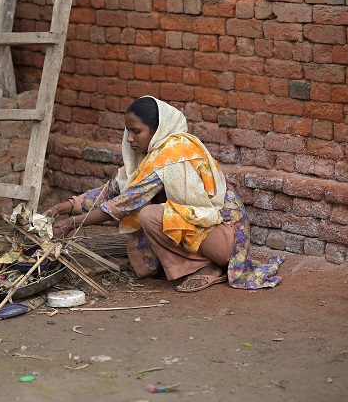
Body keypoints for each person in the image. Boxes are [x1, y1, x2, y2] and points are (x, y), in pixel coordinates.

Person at [45, 96, 282, 292]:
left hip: (225, 241)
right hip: (208, 235)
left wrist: (71, 223)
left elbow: (122, 205)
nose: (129, 139)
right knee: (149, 227)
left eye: (136, 131)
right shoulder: (152, 157)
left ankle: (205, 268)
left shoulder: (171, 157)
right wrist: (64, 207)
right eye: (128, 131)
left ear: (158, 130)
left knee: (149, 214)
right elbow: (111, 191)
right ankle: (190, 262)